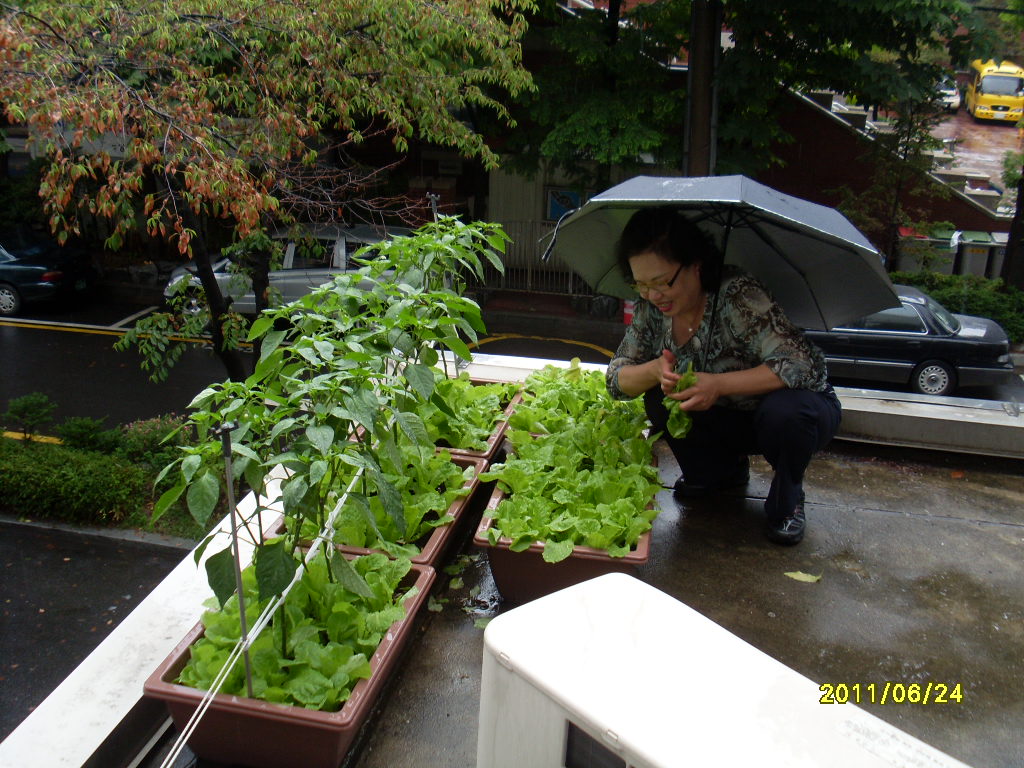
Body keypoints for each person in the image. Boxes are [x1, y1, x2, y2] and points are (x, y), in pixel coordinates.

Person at [605, 207, 841, 545]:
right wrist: (655, 369)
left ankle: (788, 499)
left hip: (787, 414)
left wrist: (719, 384)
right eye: (641, 285)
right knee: (658, 398)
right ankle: (722, 474)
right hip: (727, 418)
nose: (652, 296)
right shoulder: (650, 310)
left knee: (787, 413)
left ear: (695, 265)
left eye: (662, 282)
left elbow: (803, 363)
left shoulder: (738, 296)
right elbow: (616, 380)